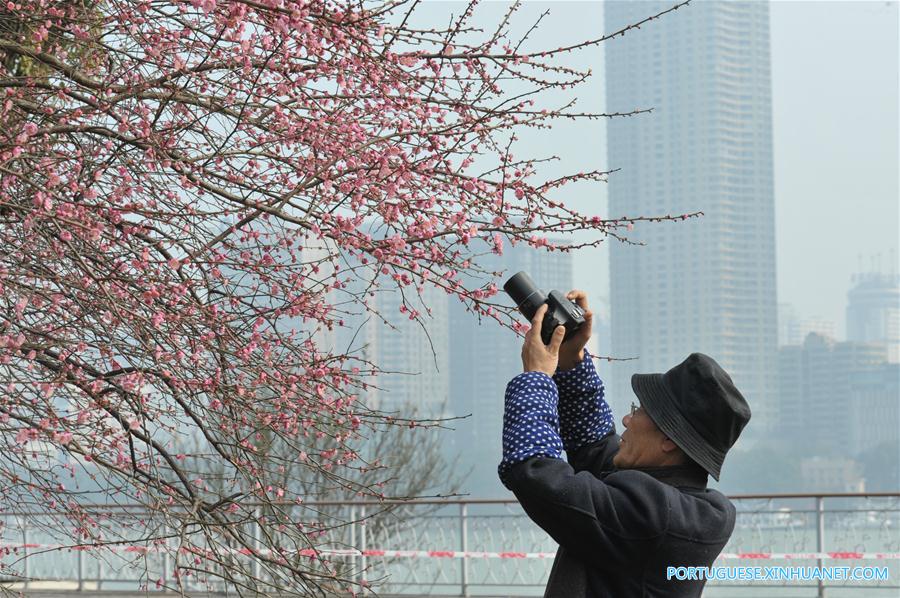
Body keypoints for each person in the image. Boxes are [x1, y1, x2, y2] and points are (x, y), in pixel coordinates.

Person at [498, 290, 751, 597]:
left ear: (669, 440)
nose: (626, 421)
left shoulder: (656, 516)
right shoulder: (681, 506)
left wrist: (537, 377)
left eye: (638, 411)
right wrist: (572, 361)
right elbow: (597, 449)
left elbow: (536, 473)